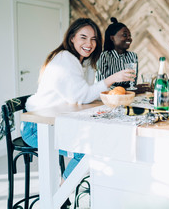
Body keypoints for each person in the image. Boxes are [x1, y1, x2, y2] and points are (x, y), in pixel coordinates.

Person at [21, 18, 134, 184]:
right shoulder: (65, 58)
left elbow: (86, 93)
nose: (89, 43)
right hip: (38, 127)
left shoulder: (82, 61)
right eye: (83, 37)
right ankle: (62, 191)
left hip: (56, 121)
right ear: (72, 37)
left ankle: (94, 189)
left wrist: (109, 93)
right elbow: (81, 97)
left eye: (93, 39)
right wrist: (111, 79)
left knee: (101, 139)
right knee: (88, 150)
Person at [96, 17, 138, 88]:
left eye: (129, 36)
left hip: (128, 96)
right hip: (110, 96)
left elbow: (132, 84)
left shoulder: (133, 56)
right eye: (125, 35)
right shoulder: (104, 56)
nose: (129, 38)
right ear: (112, 38)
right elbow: (101, 83)